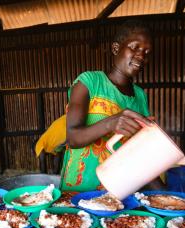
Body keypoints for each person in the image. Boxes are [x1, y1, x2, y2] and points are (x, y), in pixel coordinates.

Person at [60, 20, 159, 192]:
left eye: (146, 52)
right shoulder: (89, 82)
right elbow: (73, 138)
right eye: (135, 47)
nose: (141, 56)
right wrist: (111, 123)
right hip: (79, 193)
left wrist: (167, 197)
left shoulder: (140, 96)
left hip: (121, 194)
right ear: (115, 49)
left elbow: (141, 153)